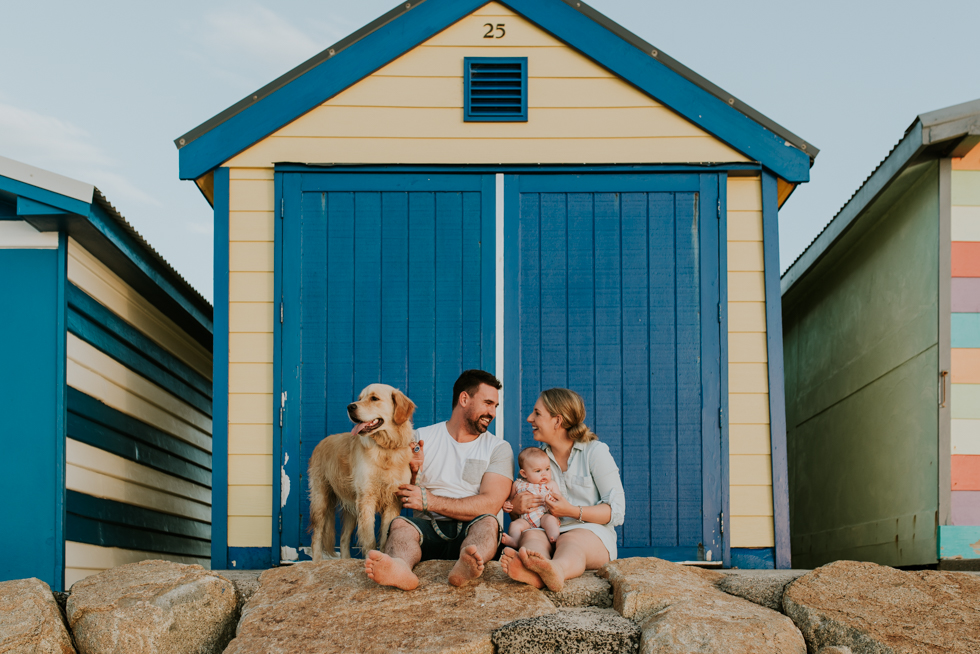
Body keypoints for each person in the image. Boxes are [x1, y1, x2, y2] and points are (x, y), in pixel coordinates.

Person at [364, 369, 513, 590]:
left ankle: (467, 564)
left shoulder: (498, 448)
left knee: (489, 523)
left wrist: (430, 501)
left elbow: (491, 504)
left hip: (472, 529)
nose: (492, 412)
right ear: (464, 399)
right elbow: (393, 491)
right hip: (428, 529)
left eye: (494, 406)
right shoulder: (419, 438)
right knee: (400, 525)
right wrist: (412, 472)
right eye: (487, 403)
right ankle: (400, 568)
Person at [500, 388, 625, 592]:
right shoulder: (537, 460)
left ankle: (556, 569)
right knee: (531, 536)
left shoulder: (594, 452)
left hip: (590, 533)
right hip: (546, 530)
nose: (530, 418)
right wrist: (516, 507)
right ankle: (535, 572)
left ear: (557, 421)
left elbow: (617, 512)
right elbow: (523, 518)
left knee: (570, 539)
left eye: (537, 413)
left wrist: (571, 511)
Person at [500, 447, 562, 547]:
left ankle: (555, 537)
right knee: (514, 525)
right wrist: (507, 504)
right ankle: (515, 541)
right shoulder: (518, 484)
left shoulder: (550, 484)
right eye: (538, 471)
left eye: (547, 469)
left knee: (550, 520)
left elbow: (560, 500)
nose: (544, 474)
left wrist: (553, 499)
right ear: (524, 473)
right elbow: (511, 500)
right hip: (525, 520)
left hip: (544, 516)